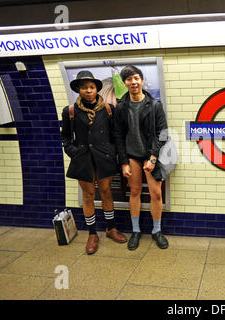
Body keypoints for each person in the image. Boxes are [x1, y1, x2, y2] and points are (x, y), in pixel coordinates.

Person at [61, 70, 127, 255]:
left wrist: (114, 154)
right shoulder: (70, 111)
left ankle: (111, 229)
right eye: (84, 87)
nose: (88, 90)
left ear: (96, 89)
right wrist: (72, 152)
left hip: (104, 158)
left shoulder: (108, 109)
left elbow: (116, 136)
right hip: (83, 159)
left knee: (106, 192)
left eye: (91, 87)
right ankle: (92, 234)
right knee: (88, 196)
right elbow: (65, 137)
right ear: (79, 90)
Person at [114, 65, 169, 250]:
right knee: (135, 192)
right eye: (129, 79)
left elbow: (163, 133)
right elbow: (119, 136)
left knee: (156, 194)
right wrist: (123, 162)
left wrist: (153, 157)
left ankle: (157, 231)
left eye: (136, 78)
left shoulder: (154, 105)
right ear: (125, 83)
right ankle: (136, 231)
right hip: (132, 155)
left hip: (151, 155)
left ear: (142, 80)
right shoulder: (121, 107)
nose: (133, 82)